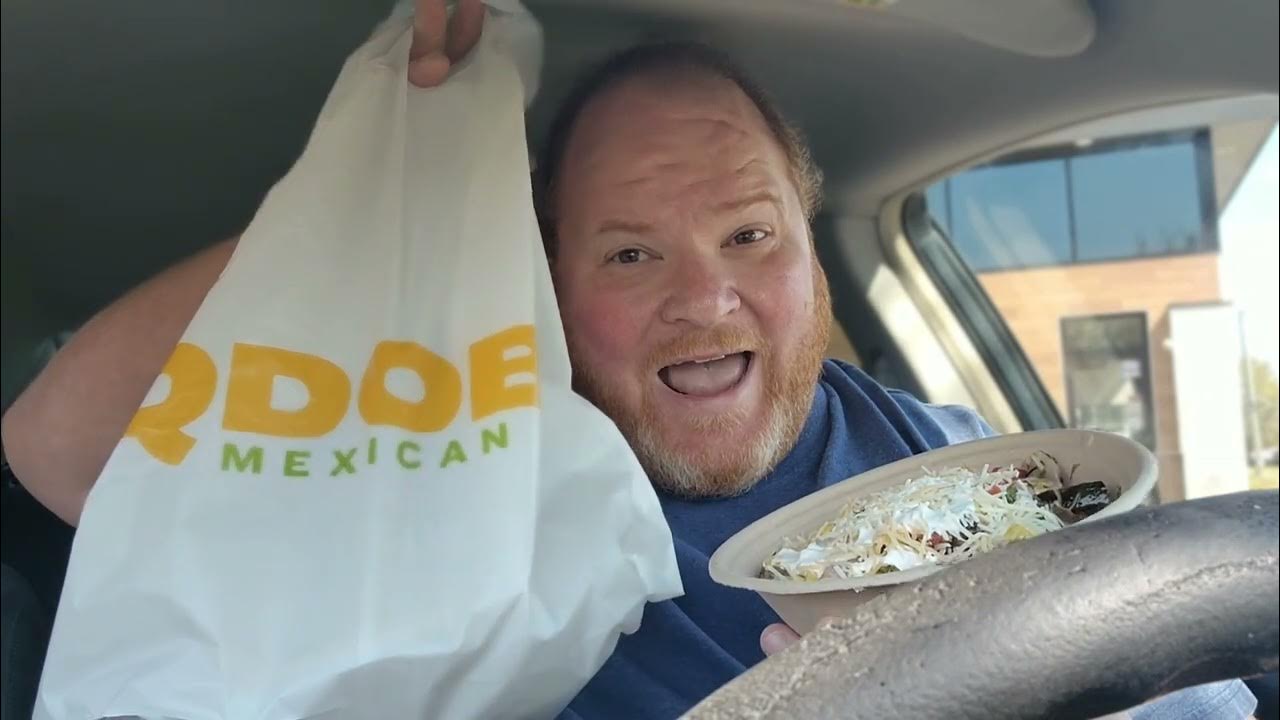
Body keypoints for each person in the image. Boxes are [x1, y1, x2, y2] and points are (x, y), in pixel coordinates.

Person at [0, 1, 1259, 718]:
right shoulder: (452, 486)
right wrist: (395, 192)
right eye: (626, 256)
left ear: (811, 257)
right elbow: (56, 451)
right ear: (540, 287)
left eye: (749, 234)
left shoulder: (955, 462)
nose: (705, 297)